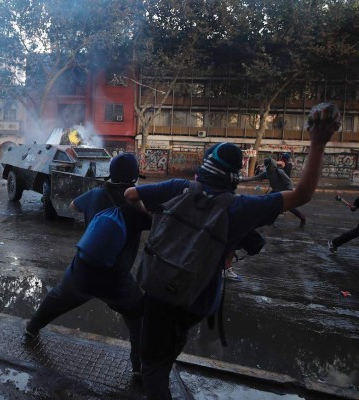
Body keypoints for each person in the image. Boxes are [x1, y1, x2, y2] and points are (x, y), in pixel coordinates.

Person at [124, 106, 339, 400]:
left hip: (159, 289)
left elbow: (130, 195)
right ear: (233, 175)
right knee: (171, 345)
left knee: (152, 366)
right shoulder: (241, 208)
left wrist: (155, 223)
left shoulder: (178, 187)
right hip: (195, 299)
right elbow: (302, 195)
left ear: (206, 165)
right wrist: (318, 143)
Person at [25, 153, 152, 380]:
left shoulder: (95, 194)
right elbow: (152, 219)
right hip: (117, 280)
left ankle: (31, 329)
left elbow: (74, 206)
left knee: (56, 299)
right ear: (134, 176)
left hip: (83, 270)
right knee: (137, 317)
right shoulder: (135, 208)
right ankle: (138, 368)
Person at [240, 157, 308, 227]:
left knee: (289, 207)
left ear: (272, 165)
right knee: (266, 203)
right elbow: (254, 178)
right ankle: (267, 220)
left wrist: (290, 192)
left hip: (283, 191)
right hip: (275, 191)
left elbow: (289, 182)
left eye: (268, 166)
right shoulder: (267, 174)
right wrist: (241, 180)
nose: (267, 168)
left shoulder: (279, 171)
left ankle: (302, 217)